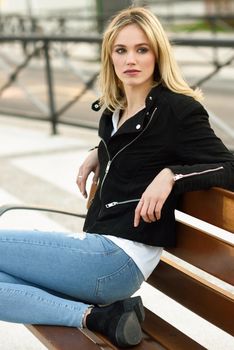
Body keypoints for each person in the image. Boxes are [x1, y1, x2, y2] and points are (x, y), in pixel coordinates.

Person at [0, 6, 234, 348]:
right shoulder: (114, 110)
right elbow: (135, 148)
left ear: (157, 53)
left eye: (142, 49)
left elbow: (228, 166)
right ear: (110, 56)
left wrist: (172, 176)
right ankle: (100, 317)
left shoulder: (176, 111)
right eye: (121, 50)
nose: (131, 60)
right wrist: (101, 150)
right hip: (98, 249)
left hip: (117, 260)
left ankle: (96, 315)